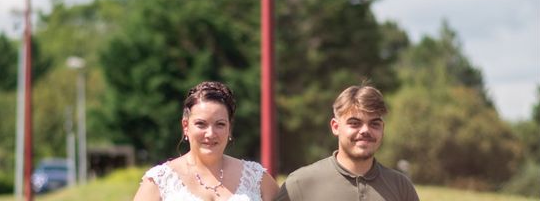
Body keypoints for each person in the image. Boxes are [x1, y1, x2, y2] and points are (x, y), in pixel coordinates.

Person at [134, 81, 279, 201]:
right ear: (185, 126)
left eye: (220, 124)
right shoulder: (159, 182)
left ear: (229, 128)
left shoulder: (257, 179)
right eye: (201, 124)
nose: (210, 134)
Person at [276, 84, 419, 201]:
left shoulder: (401, 187)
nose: (365, 130)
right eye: (355, 123)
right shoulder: (300, 184)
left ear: (383, 129)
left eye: (374, 124)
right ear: (335, 127)